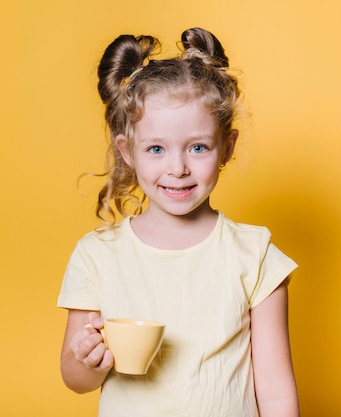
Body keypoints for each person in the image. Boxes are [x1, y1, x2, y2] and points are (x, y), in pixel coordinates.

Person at [58, 27, 300, 417]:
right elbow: (76, 379)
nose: (178, 168)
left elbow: (274, 391)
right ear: (127, 151)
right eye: (156, 148)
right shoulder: (97, 255)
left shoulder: (255, 255)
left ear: (227, 147)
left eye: (198, 147)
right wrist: (86, 361)